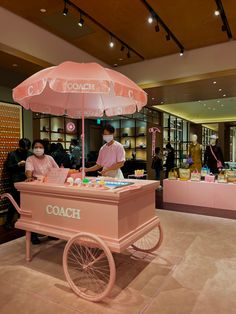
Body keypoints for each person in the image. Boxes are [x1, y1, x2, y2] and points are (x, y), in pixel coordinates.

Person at [25, 139, 59, 244]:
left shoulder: (50, 158)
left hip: (50, 187)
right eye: (36, 147)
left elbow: (57, 170)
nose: (38, 149)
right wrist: (29, 177)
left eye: (40, 147)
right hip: (37, 188)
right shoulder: (30, 159)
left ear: (44, 148)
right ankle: (33, 235)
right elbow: (28, 171)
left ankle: (51, 233)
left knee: (50, 211)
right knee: (36, 212)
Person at [4, 138, 32, 229]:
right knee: (14, 201)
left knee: (27, 202)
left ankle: (23, 220)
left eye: (27, 148)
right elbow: (8, 167)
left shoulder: (30, 154)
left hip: (27, 180)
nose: (25, 150)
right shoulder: (12, 154)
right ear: (19, 146)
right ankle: (8, 222)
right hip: (16, 181)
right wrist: (18, 165)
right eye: (24, 148)